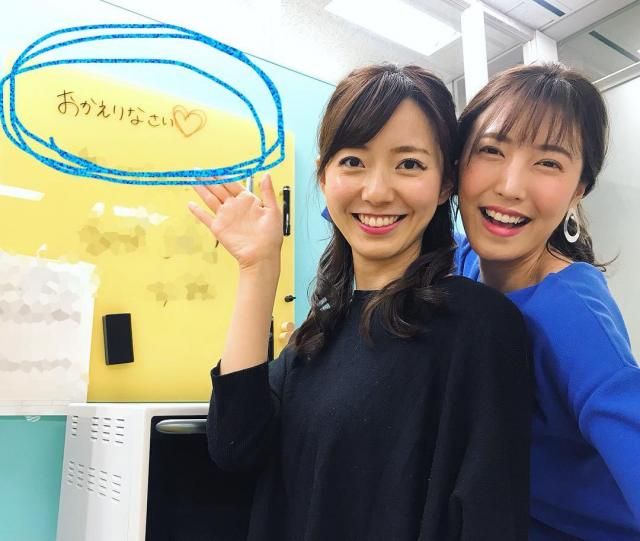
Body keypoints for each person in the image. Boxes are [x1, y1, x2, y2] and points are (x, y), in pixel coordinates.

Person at [189, 64, 532, 541]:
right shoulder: (317, 337)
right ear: (324, 176)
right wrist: (257, 270)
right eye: (353, 161)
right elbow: (233, 446)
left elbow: (491, 515)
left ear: (445, 185)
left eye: (409, 164)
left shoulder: (480, 326)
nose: (376, 191)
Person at [454, 62, 640, 540]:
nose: (510, 186)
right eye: (491, 150)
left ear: (578, 190)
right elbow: (383, 213)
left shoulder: (573, 316)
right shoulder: (464, 261)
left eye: (549, 163)